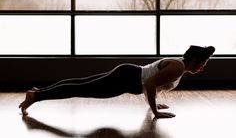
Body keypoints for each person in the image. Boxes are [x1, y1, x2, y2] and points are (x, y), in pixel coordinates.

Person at [19, 45, 215, 118]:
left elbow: (150, 82)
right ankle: (36, 96)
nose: (203, 67)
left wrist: (153, 103)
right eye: (203, 63)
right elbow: (149, 84)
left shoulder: (178, 64)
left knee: (81, 84)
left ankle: (38, 92)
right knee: (81, 88)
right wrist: (155, 112)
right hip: (126, 79)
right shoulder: (178, 68)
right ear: (195, 60)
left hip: (128, 74)